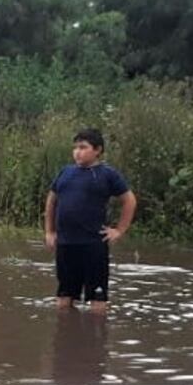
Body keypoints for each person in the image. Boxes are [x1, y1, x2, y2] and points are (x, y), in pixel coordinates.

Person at [44, 128, 137, 314]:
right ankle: (67, 336)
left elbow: (129, 200)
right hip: (66, 243)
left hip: (93, 245)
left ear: (97, 150)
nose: (77, 151)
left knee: (97, 301)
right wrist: (50, 231)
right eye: (75, 147)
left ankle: (96, 340)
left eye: (83, 147)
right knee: (63, 298)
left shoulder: (107, 174)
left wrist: (119, 230)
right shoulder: (66, 172)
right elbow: (51, 200)